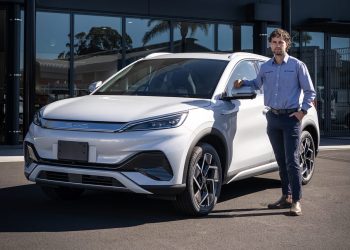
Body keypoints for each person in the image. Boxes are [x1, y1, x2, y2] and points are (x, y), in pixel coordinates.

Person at [234, 28, 316, 216]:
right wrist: (242, 82)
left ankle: (296, 201)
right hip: (273, 118)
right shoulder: (265, 67)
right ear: (270, 44)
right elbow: (256, 84)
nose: (277, 45)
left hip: (290, 119)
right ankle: (285, 196)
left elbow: (310, 92)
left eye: (281, 42)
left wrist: (302, 112)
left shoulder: (297, 65)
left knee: (292, 161)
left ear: (287, 44)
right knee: (281, 160)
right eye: (274, 42)